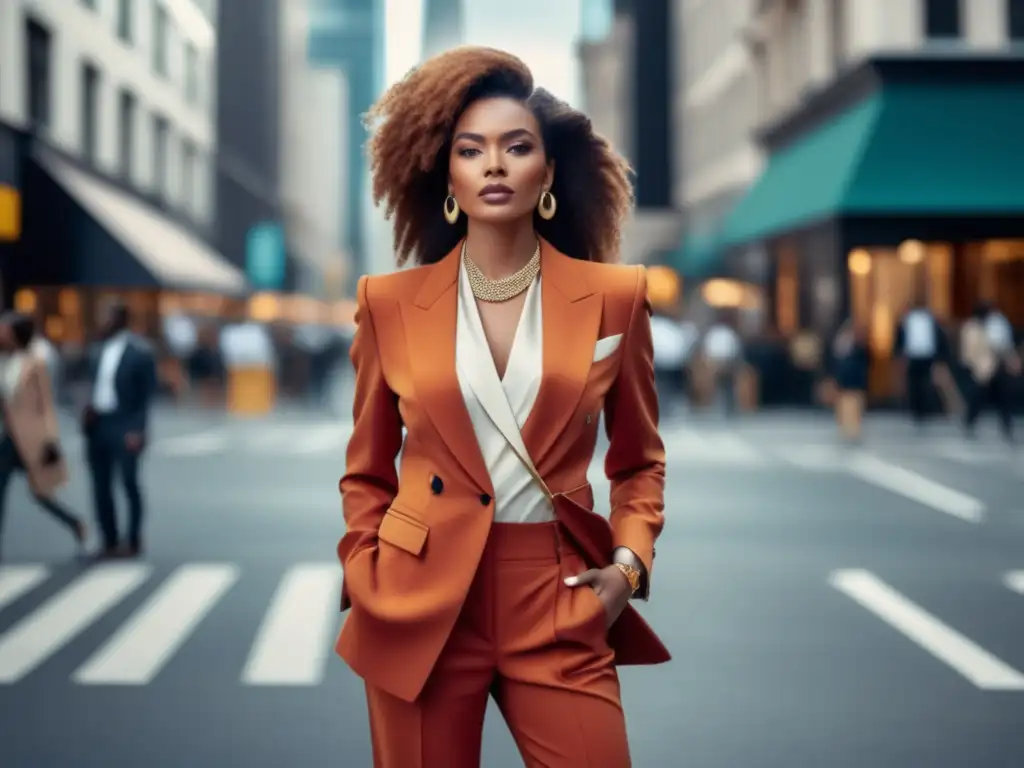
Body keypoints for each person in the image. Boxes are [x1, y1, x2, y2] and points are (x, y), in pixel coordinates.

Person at [334, 47, 669, 767]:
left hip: (558, 593)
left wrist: (627, 568)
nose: (494, 164)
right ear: (447, 175)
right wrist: (366, 568)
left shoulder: (616, 295)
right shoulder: (387, 304)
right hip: (417, 596)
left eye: (517, 148)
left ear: (546, 173)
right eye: (471, 150)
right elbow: (365, 469)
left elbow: (639, 460)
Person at [0, 312, 86, 559]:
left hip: (32, 439)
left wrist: (51, 439)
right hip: (8, 437)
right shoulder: (5, 360)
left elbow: (46, 405)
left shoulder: (35, 363)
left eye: (5, 330)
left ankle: (75, 523)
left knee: (41, 494)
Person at [82, 302, 157, 558]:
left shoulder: (140, 351)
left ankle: (134, 539)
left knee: (129, 482)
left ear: (119, 319)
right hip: (98, 422)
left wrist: (138, 429)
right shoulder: (97, 349)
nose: (101, 320)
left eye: (106, 316)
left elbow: (146, 396)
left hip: (125, 423)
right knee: (100, 484)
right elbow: (91, 384)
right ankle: (109, 540)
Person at [960, 301, 1019, 442]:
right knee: (978, 399)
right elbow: (969, 351)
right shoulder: (972, 328)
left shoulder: (992, 325)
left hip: (993, 369)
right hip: (981, 370)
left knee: (1001, 399)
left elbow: (1002, 346)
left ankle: (1006, 426)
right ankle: (969, 422)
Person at [893, 297, 948, 428]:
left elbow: (938, 337)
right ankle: (917, 410)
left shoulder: (928, 320)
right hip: (914, 356)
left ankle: (922, 410)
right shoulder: (909, 320)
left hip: (925, 356)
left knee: (922, 383)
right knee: (915, 384)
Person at [828, 319, 871, 444]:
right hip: (845, 379)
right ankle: (846, 428)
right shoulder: (840, 345)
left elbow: (866, 361)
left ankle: (854, 429)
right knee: (844, 403)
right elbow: (835, 363)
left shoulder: (860, 345)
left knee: (856, 403)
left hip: (856, 379)